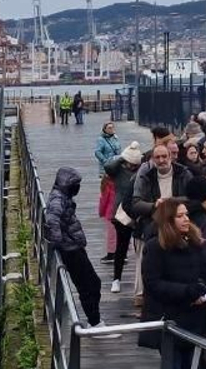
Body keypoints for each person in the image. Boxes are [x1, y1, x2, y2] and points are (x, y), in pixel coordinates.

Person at [142, 197, 206, 369]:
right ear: (169, 220)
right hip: (170, 317)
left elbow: (202, 272)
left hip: (194, 316)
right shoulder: (155, 247)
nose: (186, 219)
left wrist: (204, 291)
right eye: (180, 215)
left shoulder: (193, 242)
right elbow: (152, 284)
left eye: (186, 215)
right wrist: (187, 292)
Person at [44, 167, 102, 326]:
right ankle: (95, 323)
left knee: (93, 283)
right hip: (70, 250)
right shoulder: (58, 200)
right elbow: (51, 221)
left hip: (74, 246)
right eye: (75, 184)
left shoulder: (62, 197)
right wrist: (60, 242)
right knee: (89, 286)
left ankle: (94, 321)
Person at [129, 142, 182, 304]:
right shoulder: (145, 176)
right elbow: (135, 203)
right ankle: (142, 295)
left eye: (164, 156)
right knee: (145, 254)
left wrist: (171, 203)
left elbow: (191, 198)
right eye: (157, 157)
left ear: (170, 157)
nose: (161, 160)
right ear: (152, 159)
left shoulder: (183, 173)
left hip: (176, 221)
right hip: (151, 222)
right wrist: (154, 206)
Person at [102, 142, 143, 293]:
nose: (132, 166)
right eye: (130, 163)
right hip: (121, 212)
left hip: (138, 211)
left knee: (140, 246)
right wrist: (122, 157)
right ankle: (116, 279)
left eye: (134, 163)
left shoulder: (142, 170)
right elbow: (108, 167)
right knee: (121, 246)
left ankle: (141, 279)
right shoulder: (118, 170)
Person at [95, 123, 123, 259]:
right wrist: (106, 162)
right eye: (109, 128)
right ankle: (119, 251)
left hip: (115, 167)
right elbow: (97, 152)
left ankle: (114, 252)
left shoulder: (116, 138)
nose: (112, 129)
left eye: (113, 127)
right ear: (104, 129)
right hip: (108, 168)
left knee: (114, 229)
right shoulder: (101, 140)